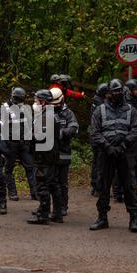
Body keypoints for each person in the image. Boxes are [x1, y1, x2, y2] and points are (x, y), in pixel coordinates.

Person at [89, 79, 137, 233]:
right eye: (113, 91)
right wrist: (108, 146)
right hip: (106, 154)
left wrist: (123, 145)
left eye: (119, 91)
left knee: (129, 186)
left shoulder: (131, 110)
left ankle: (134, 218)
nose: (116, 94)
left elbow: (136, 130)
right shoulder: (100, 110)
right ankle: (102, 217)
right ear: (108, 93)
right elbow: (94, 132)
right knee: (102, 186)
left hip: (125, 153)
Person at [112, 79, 137, 204]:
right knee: (124, 168)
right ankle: (120, 193)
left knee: (134, 167)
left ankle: (126, 192)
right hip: (126, 141)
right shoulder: (123, 104)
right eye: (135, 89)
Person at [27, 89, 61, 225]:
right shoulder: (51, 114)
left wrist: (30, 135)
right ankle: (57, 213)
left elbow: (41, 137)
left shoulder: (47, 117)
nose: (34, 103)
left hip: (45, 156)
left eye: (36, 101)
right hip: (50, 154)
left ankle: (43, 214)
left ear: (43, 102)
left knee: (43, 185)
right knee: (53, 184)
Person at [2, 87, 37, 201]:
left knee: (30, 167)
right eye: (19, 99)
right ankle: (12, 193)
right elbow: (0, 127)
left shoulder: (25, 108)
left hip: (23, 143)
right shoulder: (5, 108)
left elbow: (30, 124)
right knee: (8, 169)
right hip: (11, 143)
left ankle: (35, 192)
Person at [49, 87, 79, 217]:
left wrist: (60, 133)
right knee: (51, 180)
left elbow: (73, 127)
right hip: (51, 151)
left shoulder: (68, 113)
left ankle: (63, 206)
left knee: (62, 181)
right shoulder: (48, 111)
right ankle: (54, 206)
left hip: (64, 150)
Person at [89, 83, 108, 197]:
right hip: (97, 137)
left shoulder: (96, 102)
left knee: (96, 162)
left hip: (94, 136)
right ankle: (97, 187)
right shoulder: (100, 105)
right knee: (100, 163)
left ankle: (95, 186)